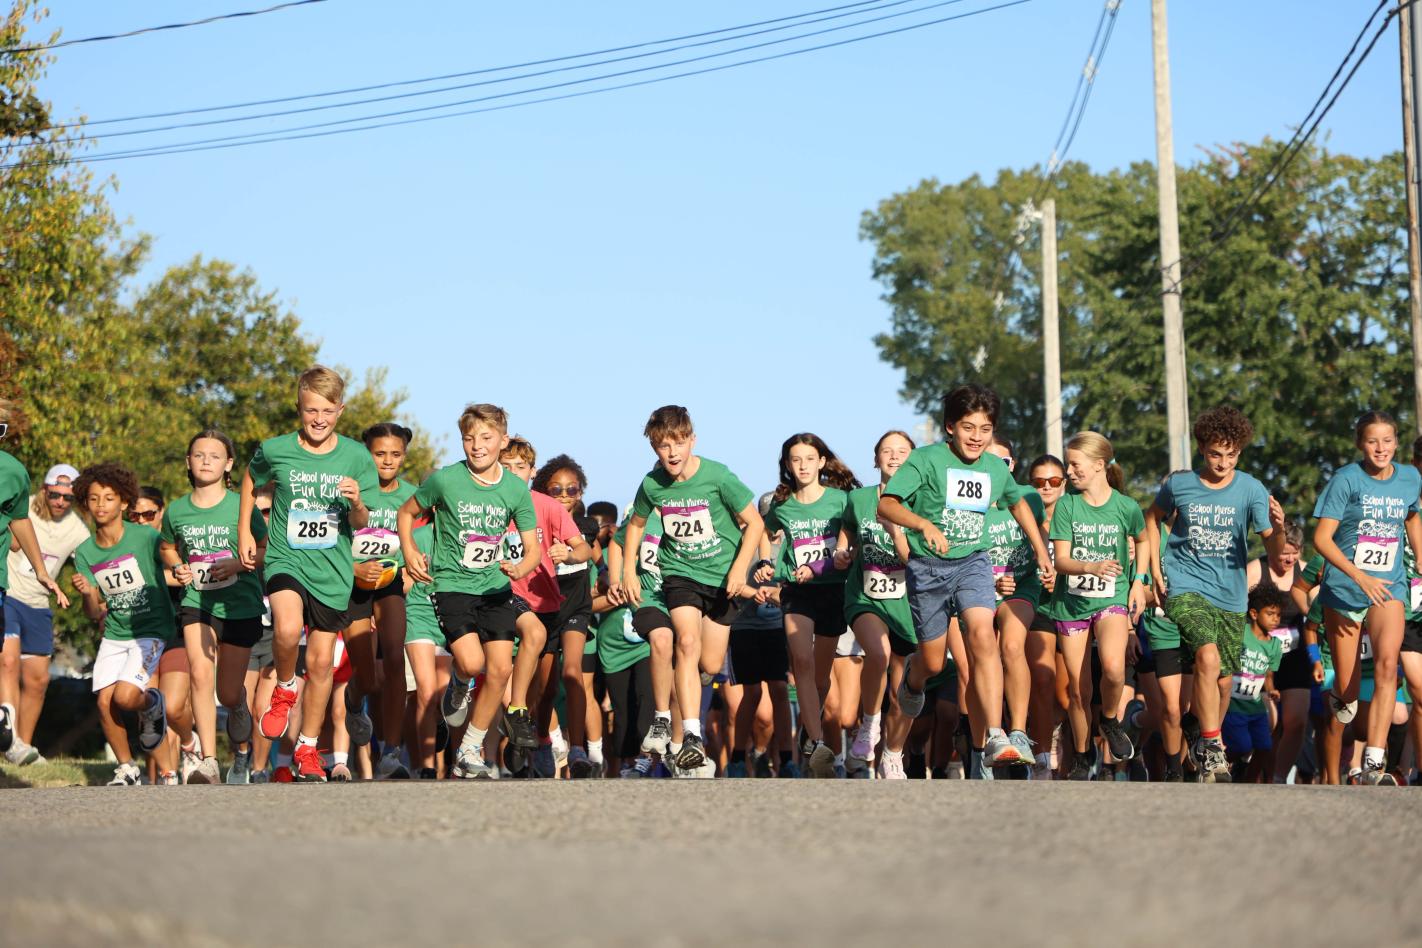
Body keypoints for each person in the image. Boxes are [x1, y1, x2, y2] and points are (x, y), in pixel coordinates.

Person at [880, 384, 1054, 768]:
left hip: (973, 562)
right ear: (949, 428)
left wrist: (1041, 550)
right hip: (927, 569)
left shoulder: (993, 466)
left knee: (982, 636)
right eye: (968, 428)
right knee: (934, 662)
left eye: (985, 429)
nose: (977, 437)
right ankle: (914, 677)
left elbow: (1018, 504)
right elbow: (887, 504)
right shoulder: (925, 461)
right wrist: (922, 524)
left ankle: (994, 735)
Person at [238, 365, 380, 782]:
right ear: (299, 408)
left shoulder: (356, 456)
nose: (319, 419)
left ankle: (306, 749)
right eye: (310, 410)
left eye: (328, 411)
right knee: (285, 628)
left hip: (333, 569)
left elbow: (363, 520)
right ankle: (285, 685)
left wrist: (355, 503)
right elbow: (251, 477)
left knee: (320, 665)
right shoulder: (276, 448)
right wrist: (245, 527)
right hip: (287, 557)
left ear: (341, 409)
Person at [397, 403, 541, 779]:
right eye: (469, 438)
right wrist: (410, 550)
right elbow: (405, 513)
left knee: (501, 668)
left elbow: (533, 548)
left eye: (487, 438)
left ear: (503, 441)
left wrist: (521, 567)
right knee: (474, 664)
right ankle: (461, 681)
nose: (477, 446)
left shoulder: (515, 489)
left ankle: (470, 746)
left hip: (494, 587)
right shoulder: (445, 480)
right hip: (453, 587)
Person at [618, 405, 764, 772]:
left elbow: (755, 523)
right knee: (685, 641)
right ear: (654, 448)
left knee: (709, 663)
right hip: (680, 573)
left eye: (678, 443)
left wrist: (739, 570)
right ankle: (689, 733)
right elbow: (635, 525)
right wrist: (630, 573)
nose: (671, 453)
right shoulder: (652, 484)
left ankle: (684, 693)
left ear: (692, 440)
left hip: (722, 578)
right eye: (663, 446)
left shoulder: (717, 476)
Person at [1145, 406, 1287, 783]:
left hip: (1231, 596)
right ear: (1202, 450)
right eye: (1214, 453)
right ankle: (1212, 749)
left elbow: (1276, 556)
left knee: (1224, 683)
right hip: (1185, 587)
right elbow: (1151, 517)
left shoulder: (1251, 489)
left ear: (1239, 451)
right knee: (1206, 657)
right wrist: (1157, 570)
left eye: (1231, 454)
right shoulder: (1180, 485)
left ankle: (1198, 726)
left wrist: (1279, 528)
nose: (1222, 462)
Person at [1311, 410, 1422, 784]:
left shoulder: (1410, 477)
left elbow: (1411, 517)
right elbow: (1321, 539)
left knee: (1389, 666)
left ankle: (1374, 762)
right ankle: (1333, 736)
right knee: (1347, 692)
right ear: (1361, 443)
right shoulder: (1346, 480)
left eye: (1388, 440)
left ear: (1396, 442)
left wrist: (1420, 556)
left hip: (1389, 585)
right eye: (1373, 441)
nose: (1381, 448)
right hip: (1345, 589)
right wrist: (1359, 577)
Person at [160, 429, 269, 785]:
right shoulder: (176, 510)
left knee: (227, 691)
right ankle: (207, 759)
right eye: (199, 455)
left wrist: (239, 565)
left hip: (240, 606)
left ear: (229, 465)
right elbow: (166, 547)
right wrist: (177, 564)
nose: (206, 460)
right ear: (188, 463)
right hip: (198, 602)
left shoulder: (243, 506)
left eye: (215, 455)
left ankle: (236, 706)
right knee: (200, 673)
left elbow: (269, 551)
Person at [1044, 432, 1148, 780]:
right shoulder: (1067, 506)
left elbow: (1144, 539)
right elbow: (1060, 560)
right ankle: (1083, 755)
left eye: (1075, 464)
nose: (1069, 472)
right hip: (1072, 603)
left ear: (1099, 465)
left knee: (1115, 670)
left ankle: (1109, 719)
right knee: (1077, 687)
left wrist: (1138, 580)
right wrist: (1090, 566)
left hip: (1111, 597)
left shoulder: (1126, 507)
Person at [756, 433, 859, 778]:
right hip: (797, 593)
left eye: (808, 458)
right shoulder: (782, 505)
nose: (802, 465)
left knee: (819, 678)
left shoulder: (842, 500)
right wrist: (764, 561)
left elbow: (855, 537)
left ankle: (808, 727)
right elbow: (761, 530)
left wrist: (843, 557)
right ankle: (817, 744)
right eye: (795, 459)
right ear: (787, 465)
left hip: (832, 591)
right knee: (801, 662)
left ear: (821, 462)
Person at [71, 463, 180, 785]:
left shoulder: (145, 536)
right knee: (105, 702)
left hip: (151, 630)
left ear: (123, 503)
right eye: (93, 499)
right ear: (86, 503)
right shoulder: (85, 552)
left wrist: (184, 569)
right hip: (116, 632)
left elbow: (173, 556)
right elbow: (92, 612)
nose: (101, 505)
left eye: (108, 498)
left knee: (125, 697)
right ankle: (127, 767)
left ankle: (151, 703)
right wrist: (88, 592)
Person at [840, 430, 914, 779]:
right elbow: (847, 535)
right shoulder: (859, 499)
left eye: (902, 451)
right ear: (876, 459)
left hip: (909, 603)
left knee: (905, 693)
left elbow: (914, 558)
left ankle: (893, 754)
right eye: (887, 450)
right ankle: (870, 723)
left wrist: (896, 532)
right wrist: (842, 553)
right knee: (878, 653)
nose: (895, 456)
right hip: (865, 595)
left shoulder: (923, 501)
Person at [2, 462, 86, 766]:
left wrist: (88, 586)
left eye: (68, 497)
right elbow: (10, 535)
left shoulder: (77, 528)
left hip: (38, 604)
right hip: (9, 594)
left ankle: (21, 747)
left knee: (37, 681)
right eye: (55, 495)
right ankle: (7, 739)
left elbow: (91, 562)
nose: (61, 502)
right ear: (44, 490)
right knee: (7, 661)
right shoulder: (24, 509)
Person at [347, 422, 418, 779]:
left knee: (393, 659)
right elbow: (331, 537)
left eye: (395, 454)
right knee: (369, 678)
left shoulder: (412, 495)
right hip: (351, 585)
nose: (387, 461)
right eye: (379, 453)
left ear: (404, 455)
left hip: (391, 586)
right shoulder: (351, 489)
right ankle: (355, 697)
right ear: (366, 453)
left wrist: (409, 570)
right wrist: (355, 567)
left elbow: (422, 539)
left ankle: (391, 752)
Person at [529, 455, 600, 776]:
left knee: (573, 673)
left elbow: (588, 550)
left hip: (576, 607)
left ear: (581, 493)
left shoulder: (584, 526)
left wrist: (571, 553)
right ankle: (543, 741)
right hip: (544, 609)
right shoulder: (534, 520)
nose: (564, 495)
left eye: (572, 489)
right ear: (542, 490)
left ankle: (577, 749)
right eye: (556, 489)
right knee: (545, 689)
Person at [983, 437, 1047, 774]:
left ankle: (1019, 734)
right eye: (988, 462)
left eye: (1003, 462)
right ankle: (987, 741)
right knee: (980, 661)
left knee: (1011, 645)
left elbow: (1043, 534)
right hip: (977, 588)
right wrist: (991, 582)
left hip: (1021, 585)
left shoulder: (1029, 497)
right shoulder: (968, 505)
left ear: (1013, 465)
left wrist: (1047, 561)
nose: (996, 469)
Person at [1243, 522, 1309, 783]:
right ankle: (1252, 772)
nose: (1289, 559)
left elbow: (1315, 612)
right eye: (1284, 554)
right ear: (1272, 550)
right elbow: (1239, 615)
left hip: (1293, 657)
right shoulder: (1255, 571)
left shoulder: (1304, 572)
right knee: (1267, 722)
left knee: (1297, 721)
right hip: (1258, 657)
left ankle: (1279, 777)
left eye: (1295, 553)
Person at [1222, 584, 1287, 782]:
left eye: (1278, 615)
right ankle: (1220, 764)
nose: (1276, 619)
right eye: (1270, 613)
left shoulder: (1275, 645)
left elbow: (1268, 675)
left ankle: (1247, 784)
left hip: (1256, 707)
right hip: (1233, 705)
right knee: (1241, 746)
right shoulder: (1240, 634)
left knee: (1264, 747)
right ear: (1254, 613)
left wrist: (1272, 690)